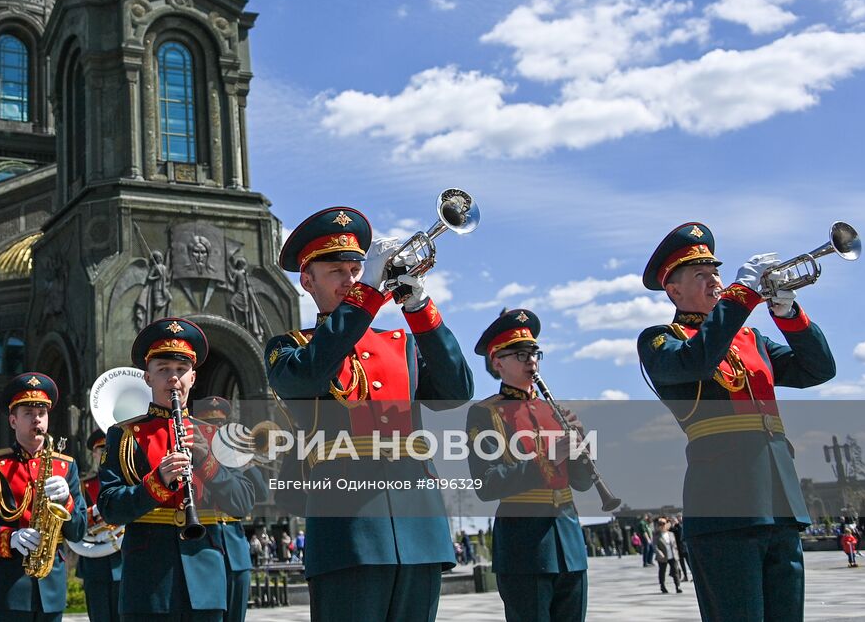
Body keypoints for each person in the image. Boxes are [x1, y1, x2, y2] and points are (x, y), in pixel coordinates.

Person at [264, 207, 474, 622]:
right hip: (349, 531)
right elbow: (308, 378)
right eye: (336, 271)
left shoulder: (400, 344)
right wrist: (367, 297)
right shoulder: (289, 348)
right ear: (307, 281)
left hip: (420, 528)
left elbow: (456, 392)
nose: (350, 278)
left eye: (356, 268)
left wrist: (419, 305)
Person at [637, 222, 836, 622]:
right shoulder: (661, 339)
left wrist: (789, 312)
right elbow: (698, 359)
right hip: (724, 507)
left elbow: (818, 370)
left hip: (780, 501)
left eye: (717, 273)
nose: (715, 281)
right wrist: (741, 296)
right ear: (673, 290)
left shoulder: (752, 339)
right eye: (701, 275)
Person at [98, 318, 260, 621]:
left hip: (207, 581)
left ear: (193, 377)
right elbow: (110, 508)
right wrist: (156, 483)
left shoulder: (215, 436)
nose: (173, 379)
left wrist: (208, 464)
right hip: (147, 585)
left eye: (181, 370)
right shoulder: (123, 435)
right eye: (163, 370)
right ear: (148, 377)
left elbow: (244, 502)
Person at [466, 309, 590, 622]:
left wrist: (581, 449)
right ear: (497, 362)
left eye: (535, 353)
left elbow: (583, 482)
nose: (531, 361)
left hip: (570, 545)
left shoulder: (555, 410)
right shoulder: (485, 414)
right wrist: (549, 458)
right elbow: (487, 484)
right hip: (524, 548)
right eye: (520, 355)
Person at [0, 373, 86, 622]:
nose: (36, 419)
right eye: (28, 412)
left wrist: (67, 502)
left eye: (42, 413)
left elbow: (79, 531)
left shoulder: (66, 466)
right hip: (8, 586)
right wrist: (9, 538)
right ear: (13, 420)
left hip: (51, 588)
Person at [190, 396, 268, 622]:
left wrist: (245, 460)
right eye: (211, 424)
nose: (217, 429)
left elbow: (261, 493)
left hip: (234, 545)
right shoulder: (194, 452)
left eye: (221, 424)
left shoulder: (236, 455)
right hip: (202, 544)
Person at [75, 429, 121, 622]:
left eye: (108, 450)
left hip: (122, 560)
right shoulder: (81, 486)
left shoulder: (124, 485)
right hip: (94, 564)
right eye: (100, 450)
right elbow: (75, 521)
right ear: (93, 454)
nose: (103, 454)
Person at [653, 518, 681, 594]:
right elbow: (655, 546)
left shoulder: (671, 534)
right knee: (662, 571)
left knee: (675, 571)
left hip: (672, 555)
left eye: (663, 524)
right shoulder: (656, 535)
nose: (662, 526)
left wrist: (677, 554)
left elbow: (674, 545)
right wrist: (659, 553)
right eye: (660, 524)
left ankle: (678, 586)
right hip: (662, 557)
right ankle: (662, 586)